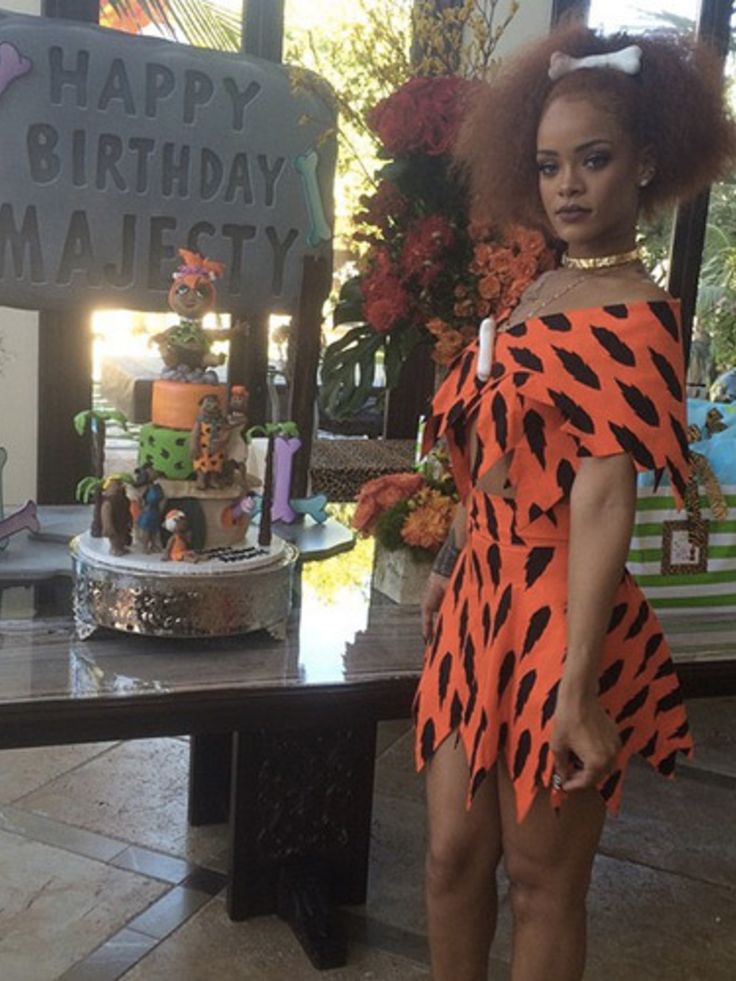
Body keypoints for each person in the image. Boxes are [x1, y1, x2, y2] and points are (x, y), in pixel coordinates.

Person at [415, 24, 736, 981]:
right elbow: (495, 449)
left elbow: (602, 502)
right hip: (479, 596)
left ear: (645, 163)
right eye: (550, 164)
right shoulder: (538, 287)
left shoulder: (638, 315)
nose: (567, 186)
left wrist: (580, 684)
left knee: (543, 881)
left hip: (563, 614)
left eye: (592, 160)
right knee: (447, 861)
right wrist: (448, 561)